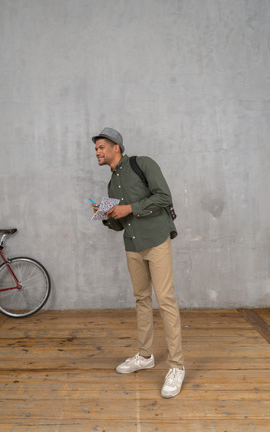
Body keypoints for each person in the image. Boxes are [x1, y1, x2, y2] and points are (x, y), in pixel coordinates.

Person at [91, 127, 185, 398]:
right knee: (142, 299)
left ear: (115, 148)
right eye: (96, 149)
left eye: (101, 147)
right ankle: (145, 356)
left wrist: (129, 208)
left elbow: (164, 197)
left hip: (156, 240)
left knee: (165, 300)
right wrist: (105, 215)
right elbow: (117, 225)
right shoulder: (111, 184)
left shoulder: (142, 164)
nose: (97, 152)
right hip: (132, 245)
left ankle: (177, 367)